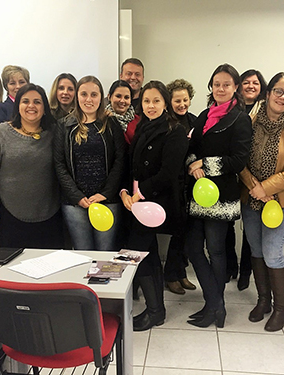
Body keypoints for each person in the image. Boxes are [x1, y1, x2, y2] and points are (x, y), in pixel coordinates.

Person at [240, 72, 284, 332]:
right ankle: (263, 301)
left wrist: (266, 188)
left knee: (273, 252)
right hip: (251, 197)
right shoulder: (250, 121)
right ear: (268, 93)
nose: (282, 97)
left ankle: (282, 309)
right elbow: (240, 159)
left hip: (281, 201)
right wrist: (254, 187)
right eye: (278, 91)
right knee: (256, 249)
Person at [185, 64, 252, 328]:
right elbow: (191, 148)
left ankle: (216, 307)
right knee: (193, 248)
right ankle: (214, 303)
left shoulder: (240, 118)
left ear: (235, 87)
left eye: (226, 84)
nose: (220, 89)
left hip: (222, 195)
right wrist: (193, 164)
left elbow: (238, 160)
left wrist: (204, 165)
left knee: (216, 250)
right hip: (197, 193)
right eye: (216, 84)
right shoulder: (204, 115)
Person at [121, 80, 188, 331]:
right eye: (147, 101)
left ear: (165, 103)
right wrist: (126, 191)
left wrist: (139, 194)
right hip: (138, 202)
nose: (151, 105)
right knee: (146, 255)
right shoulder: (143, 127)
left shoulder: (175, 130)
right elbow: (133, 166)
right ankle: (155, 310)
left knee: (138, 253)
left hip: (156, 204)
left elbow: (169, 172)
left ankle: (155, 311)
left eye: (156, 101)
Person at [0, 83, 63, 249]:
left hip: (51, 215)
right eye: (25, 101)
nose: (31, 106)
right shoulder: (0, 133)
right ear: (17, 106)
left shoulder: (55, 132)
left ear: (45, 107)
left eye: (37, 102)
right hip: (10, 215)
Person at [54, 76, 126, 251]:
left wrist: (106, 193)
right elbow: (59, 164)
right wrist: (76, 196)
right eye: (84, 94)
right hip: (75, 203)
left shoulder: (111, 124)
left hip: (107, 200)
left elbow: (120, 159)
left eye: (94, 94)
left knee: (105, 254)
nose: (88, 99)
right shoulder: (64, 125)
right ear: (77, 96)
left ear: (101, 97)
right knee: (83, 254)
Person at [228, 69, 268, 291]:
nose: (251, 86)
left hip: (257, 178)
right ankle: (231, 266)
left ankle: (246, 272)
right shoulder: (231, 108)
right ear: (239, 86)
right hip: (232, 173)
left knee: (251, 228)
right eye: (246, 82)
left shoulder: (267, 110)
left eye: (256, 83)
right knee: (231, 226)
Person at [162, 78, 198, 295]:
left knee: (187, 232)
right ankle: (170, 275)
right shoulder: (165, 123)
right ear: (169, 101)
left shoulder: (194, 120)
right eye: (177, 100)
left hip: (192, 185)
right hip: (172, 185)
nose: (182, 104)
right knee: (176, 231)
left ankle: (181, 272)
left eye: (185, 99)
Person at [0, 65, 30, 130]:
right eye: (12, 83)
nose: (18, 86)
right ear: (6, 87)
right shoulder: (0, 109)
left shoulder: (34, 107)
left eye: (21, 82)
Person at [105, 79, 140, 144]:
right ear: (109, 97)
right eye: (118, 96)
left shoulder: (139, 121)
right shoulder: (102, 120)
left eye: (126, 97)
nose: (122, 101)